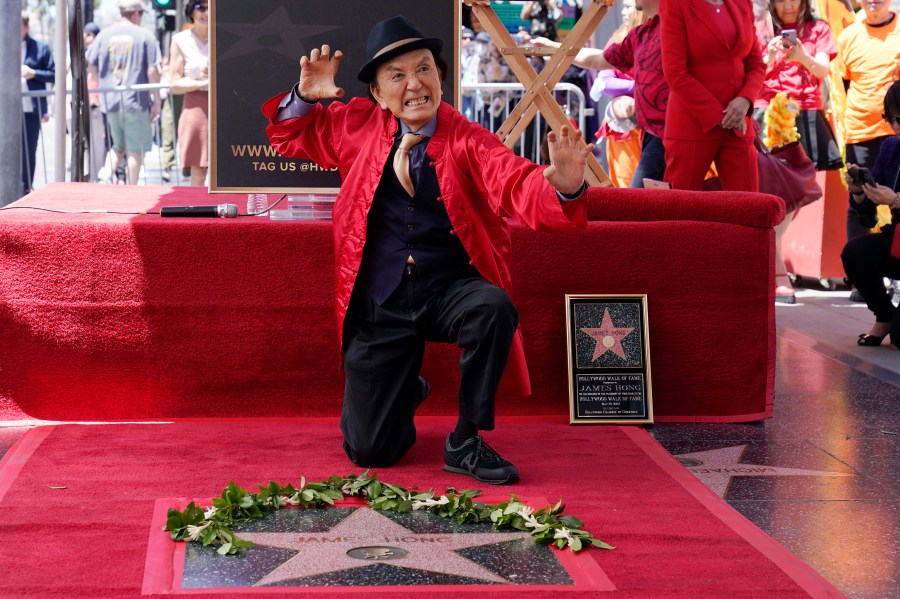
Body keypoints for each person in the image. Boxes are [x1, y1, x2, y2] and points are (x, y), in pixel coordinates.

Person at [262, 16, 593, 484]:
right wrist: (302, 99)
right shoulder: (355, 125)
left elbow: (515, 182)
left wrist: (563, 188)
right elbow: (289, 137)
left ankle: (466, 439)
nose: (415, 84)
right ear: (377, 94)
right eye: (397, 76)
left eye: (424, 70)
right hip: (381, 298)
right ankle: (403, 390)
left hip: (447, 289)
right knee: (371, 452)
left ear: (440, 78)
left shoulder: (468, 138)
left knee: (491, 307)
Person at [756, 0, 840, 305]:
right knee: (775, 193)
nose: (788, 4)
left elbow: (823, 69)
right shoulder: (760, 30)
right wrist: (769, 56)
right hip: (770, 112)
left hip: (805, 113)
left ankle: (775, 265)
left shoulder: (819, 29)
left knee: (798, 193)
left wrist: (802, 55)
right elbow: (751, 74)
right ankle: (776, 270)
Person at [534, 0, 666, 188]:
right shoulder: (640, 35)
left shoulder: (677, 28)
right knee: (647, 197)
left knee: (645, 198)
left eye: (627, 6)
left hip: (679, 135)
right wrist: (555, 47)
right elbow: (598, 60)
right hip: (651, 134)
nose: (624, 8)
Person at [659, 0, 766, 191]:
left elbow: (756, 64)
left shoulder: (742, 3)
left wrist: (745, 99)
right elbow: (675, 72)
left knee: (749, 210)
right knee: (680, 210)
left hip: (738, 124)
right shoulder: (674, 4)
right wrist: (721, 115)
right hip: (693, 123)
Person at [834, 0, 900, 254]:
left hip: (895, 132)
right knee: (858, 197)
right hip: (860, 130)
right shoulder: (849, 34)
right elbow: (844, 83)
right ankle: (859, 280)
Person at [840, 80, 900, 349]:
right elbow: (868, 219)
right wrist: (859, 192)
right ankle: (885, 316)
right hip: (897, 241)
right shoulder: (891, 148)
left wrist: (897, 200)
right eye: (890, 119)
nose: (896, 126)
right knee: (855, 252)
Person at [86, 0, 162, 186]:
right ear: (136, 13)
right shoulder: (145, 35)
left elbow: (90, 63)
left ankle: (104, 178)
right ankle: (132, 189)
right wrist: (157, 100)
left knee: (118, 146)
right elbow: (152, 71)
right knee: (135, 150)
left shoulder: (103, 35)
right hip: (135, 101)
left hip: (111, 100)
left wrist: (103, 82)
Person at [169, 0, 210, 186]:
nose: (206, 12)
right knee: (199, 170)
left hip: (226, 106)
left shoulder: (228, 37)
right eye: (201, 7)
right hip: (195, 107)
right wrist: (206, 81)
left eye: (211, 7)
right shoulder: (180, 40)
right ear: (191, 11)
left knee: (228, 167)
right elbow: (174, 83)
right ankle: (198, 211)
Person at [21, 11, 55, 197]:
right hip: (7, 109)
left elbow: (53, 74)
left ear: (26, 27)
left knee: (29, 149)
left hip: (31, 108)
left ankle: (26, 187)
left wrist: (33, 73)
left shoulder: (41, 48)